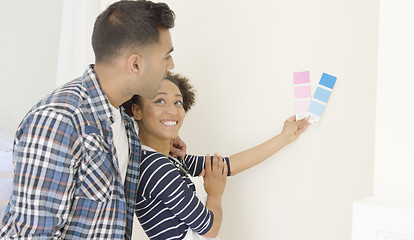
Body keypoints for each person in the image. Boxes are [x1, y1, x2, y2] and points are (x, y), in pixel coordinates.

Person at [0, 1, 180, 239]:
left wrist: (162, 140)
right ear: (135, 63)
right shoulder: (59, 122)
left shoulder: (123, 123)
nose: (171, 66)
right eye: (166, 57)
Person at [123, 73, 310, 240]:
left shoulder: (169, 159)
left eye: (177, 102)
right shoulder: (155, 166)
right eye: (160, 101)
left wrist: (284, 137)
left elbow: (229, 166)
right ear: (137, 110)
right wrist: (215, 194)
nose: (173, 110)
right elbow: (209, 228)